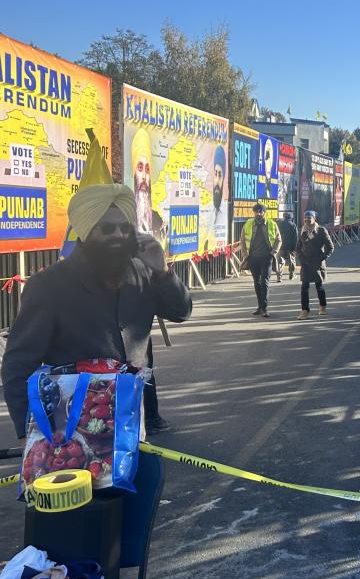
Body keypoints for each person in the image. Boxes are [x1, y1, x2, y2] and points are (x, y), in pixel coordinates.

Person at [2, 183, 193, 440]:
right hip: (71, 427)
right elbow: (18, 364)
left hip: (133, 418)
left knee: (139, 479)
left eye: (124, 228)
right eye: (107, 228)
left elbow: (181, 311)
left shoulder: (144, 272)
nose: (117, 235)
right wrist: (30, 431)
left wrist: (162, 270)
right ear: (85, 230)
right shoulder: (49, 285)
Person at [240, 203, 281, 318]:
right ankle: (260, 307)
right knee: (257, 283)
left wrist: (273, 253)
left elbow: (279, 240)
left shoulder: (272, 224)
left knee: (265, 282)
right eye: (256, 211)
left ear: (264, 212)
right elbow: (242, 240)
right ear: (254, 212)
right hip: (253, 258)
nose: (258, 213)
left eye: (260, 211)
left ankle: (265, 308)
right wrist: (245, 255)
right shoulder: (248, 224)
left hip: (266, 258)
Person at [295, 211, 334, 320]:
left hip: (318, 263)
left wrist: (321, 258)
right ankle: (305, 310)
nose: (307, 219)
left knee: (319, 286)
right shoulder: (302, 231)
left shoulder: (321, 230)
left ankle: (322, 306)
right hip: (306, 263)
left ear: (314, 218)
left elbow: (330, 247)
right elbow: (298, 247)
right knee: (304, 287)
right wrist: (301, 259)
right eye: (305, 217)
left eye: (309, 217)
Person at [275, 212, 298, 282]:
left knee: (280, 262)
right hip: (290, 247)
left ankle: (279, 277)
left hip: (280, 247)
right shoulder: (293, 225)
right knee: (292, 262)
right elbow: (295, 238)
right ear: (291, 217)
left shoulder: (279, 224)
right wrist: (294, 248)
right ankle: (291, 275)